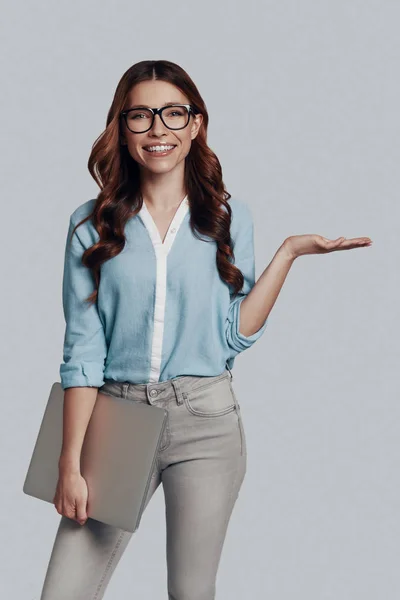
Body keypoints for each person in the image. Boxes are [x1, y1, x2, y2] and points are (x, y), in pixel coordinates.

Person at [39, 59, 372, 600]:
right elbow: (82, 349)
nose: (158, 129)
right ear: (122, 131)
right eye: (140, 116)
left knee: (191, 593)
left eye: (174, 113)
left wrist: (288, 253)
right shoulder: (90, 223)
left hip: (206, 418)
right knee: (64, 592)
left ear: (196, 125)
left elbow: (232, 334)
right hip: (116, 416)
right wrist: (69, 461)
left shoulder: (227, 217)